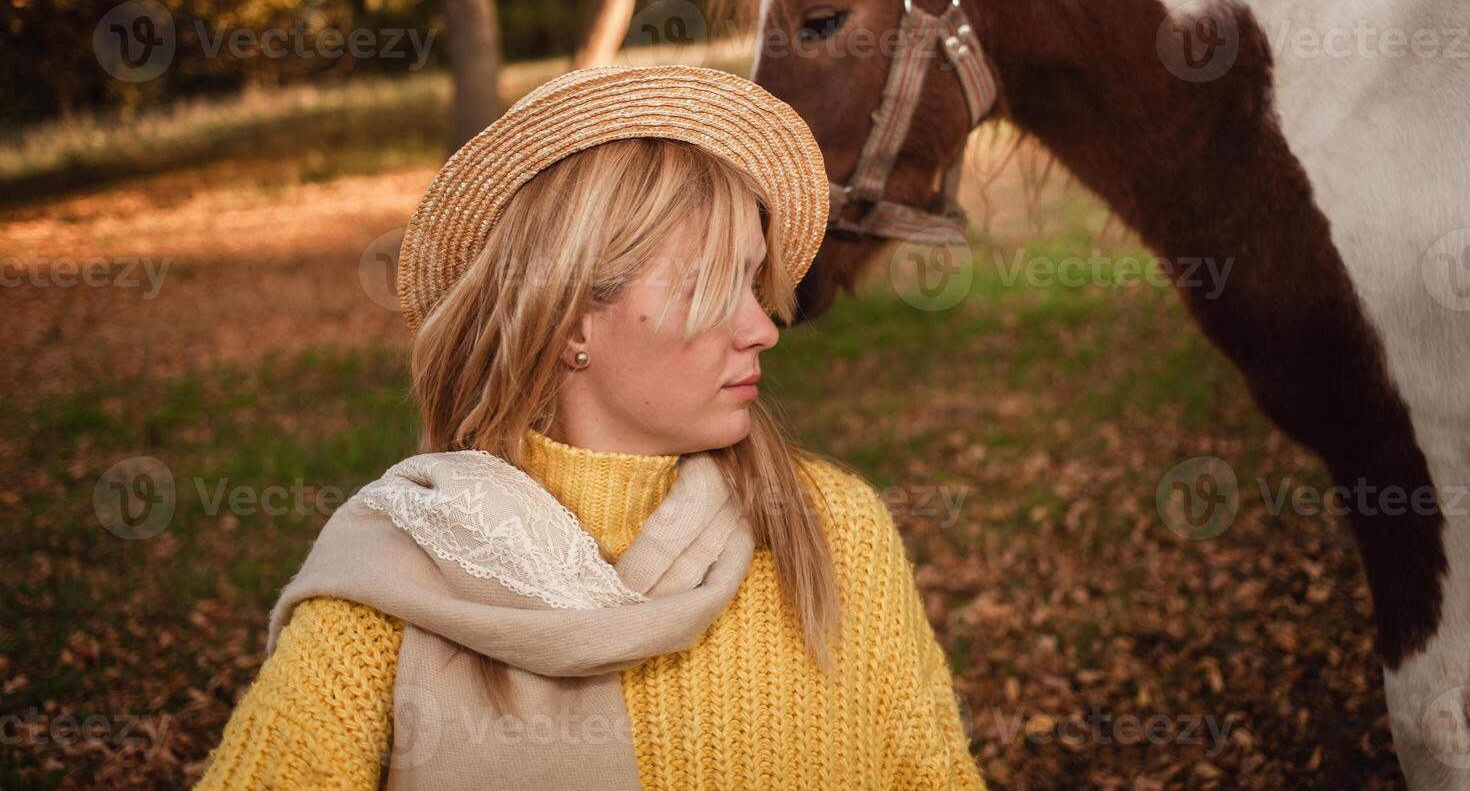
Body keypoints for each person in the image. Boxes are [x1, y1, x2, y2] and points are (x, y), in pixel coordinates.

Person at [194, 64, 985, 790]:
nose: (764, 327)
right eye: (713, 285)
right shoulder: (402, 573)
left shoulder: (831, 530)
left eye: (755, 281)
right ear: (572, 319)